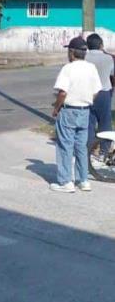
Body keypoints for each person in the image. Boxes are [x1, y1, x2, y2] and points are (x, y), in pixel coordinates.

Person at [51, 36, 102, 193]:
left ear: (72, 52)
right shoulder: (91, 68)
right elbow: (97, 90)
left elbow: (62, 92)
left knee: (65, 145)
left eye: (69, 50)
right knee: (81, 146)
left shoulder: (68, 68)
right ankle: (83, 180)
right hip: (84, 111)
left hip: (68, 110)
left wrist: (56, 108)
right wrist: (86, 100)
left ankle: (66, 181)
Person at [85, 33, 115, 167]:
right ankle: (104, 151)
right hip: (104, 93)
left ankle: (89, 150)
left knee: (89, 124)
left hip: (88, 94)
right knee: (105, 122)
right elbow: (112, 76)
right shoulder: (108, 58)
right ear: (101, 44)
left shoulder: (84, 57)